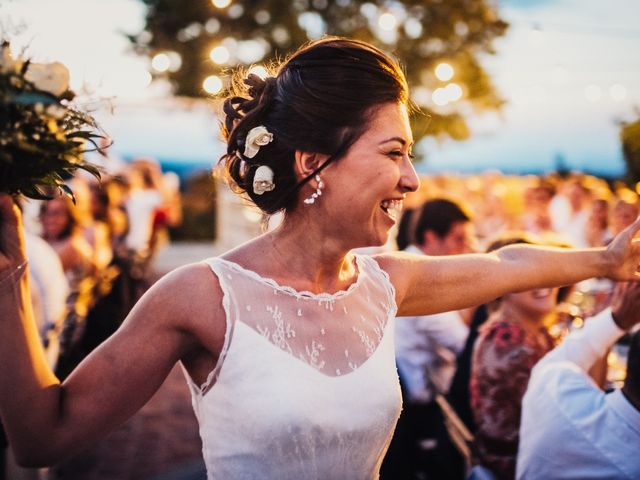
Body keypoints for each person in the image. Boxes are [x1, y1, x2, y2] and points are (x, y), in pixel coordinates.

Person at [1, 37, 640, 480]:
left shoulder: (385, 283)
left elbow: (506, 267)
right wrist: (7, 279)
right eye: (394, 154)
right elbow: (43, 437)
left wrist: (606, 262)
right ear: (314, 163)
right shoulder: (202, 297)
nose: (413, 180)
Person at [383, 198, 476, 480]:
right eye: (458, 239)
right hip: (421, 406)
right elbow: (462, 344)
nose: (463, 248)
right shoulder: (422, 277)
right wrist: (475, 291)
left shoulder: (409, 263)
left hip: (414, 390)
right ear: (431, 237)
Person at [517, 281, 640, 479]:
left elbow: (560, 368)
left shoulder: (553, 387)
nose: (545, 283)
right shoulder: (511, 342)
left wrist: (615, 322)